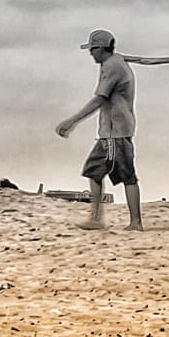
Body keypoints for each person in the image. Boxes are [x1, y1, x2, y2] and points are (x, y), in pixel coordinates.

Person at [55, 28, 143, 231]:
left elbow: (99, 99)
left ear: (101, 48)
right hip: (115, 132)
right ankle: (108, 219)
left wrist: (72, 121)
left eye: (92, 49)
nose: (90, 53)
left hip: (114, 134)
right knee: (98, 172)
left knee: (119, 175)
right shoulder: (115, 63)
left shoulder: (112, 67)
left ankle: (130, 222)